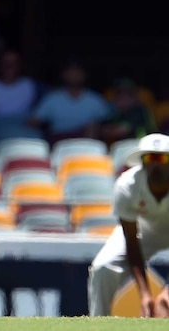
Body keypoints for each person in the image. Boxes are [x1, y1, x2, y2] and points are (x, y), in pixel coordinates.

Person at [88, 133, 169, 316]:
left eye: (162, 158)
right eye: (150, 158)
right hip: (143, 229)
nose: (156, 164)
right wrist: (145, 294)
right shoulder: (126, 186)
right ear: (143, 162)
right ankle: (98, 324)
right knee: (102, 268)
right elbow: (132, 242)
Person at [28, 57, 111, 144]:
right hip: (58, 141)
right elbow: (33, 122)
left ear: (84, 74)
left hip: (86, 143)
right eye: (70, 71)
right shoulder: (53, 98)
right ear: (63, 74)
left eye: (77, 71)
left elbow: (109, 123)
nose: (74, 74)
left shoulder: (95, 99)